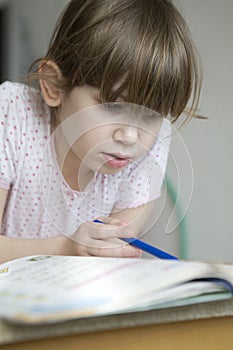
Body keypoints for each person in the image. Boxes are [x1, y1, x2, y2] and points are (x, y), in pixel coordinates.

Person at [0, 0, 202, 263]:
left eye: (152, 115)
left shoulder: (151, 146)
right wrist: (65, 248)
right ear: (53, 86)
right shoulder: (12, 113)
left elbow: (107, 259)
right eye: (113, 106)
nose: (130, 136)